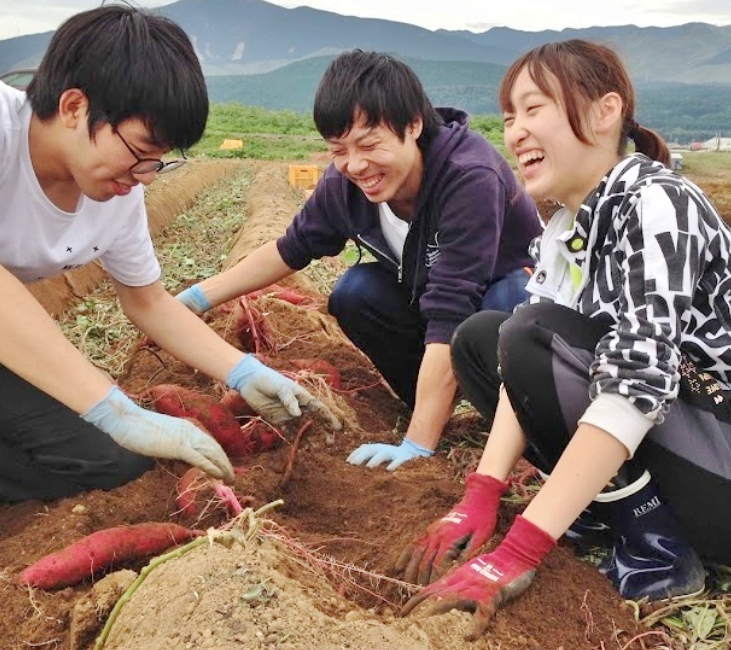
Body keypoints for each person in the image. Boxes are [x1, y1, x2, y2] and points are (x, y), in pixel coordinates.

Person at [0, 4, 336, 576]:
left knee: (110, 461)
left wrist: (244, 372)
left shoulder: (117, 197)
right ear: (75, 105)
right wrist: (111, 405)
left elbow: (149, 302)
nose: (143, 175)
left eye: (157, 162)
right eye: (139, 150)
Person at [398, 40, 731, 638]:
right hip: (685, 447)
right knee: (481, 339)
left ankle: (659, 547)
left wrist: (519, 549)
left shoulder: (656, 203)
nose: (516, 131)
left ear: (604, 113)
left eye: (533, 108)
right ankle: (612, 510)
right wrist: (482, 494)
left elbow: (635, 383)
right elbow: (523, 371)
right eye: (509, 116)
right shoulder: (567, 228)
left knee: (526, 333)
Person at [176, 51, 541, 471]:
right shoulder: (342, 184)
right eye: (339, 149)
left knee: (505, 306)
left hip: (507, 300)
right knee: (354, 292)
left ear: (414, 126)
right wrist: (196, 298)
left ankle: (518, 426)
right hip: (431, 300)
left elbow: (452, 309)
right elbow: (289, 249)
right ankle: (430, 404)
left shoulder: (468, 178)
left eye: (369, 145)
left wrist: (417, 447)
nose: (355, 165)